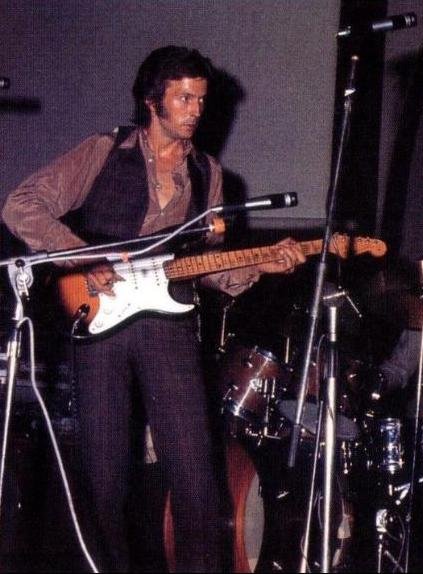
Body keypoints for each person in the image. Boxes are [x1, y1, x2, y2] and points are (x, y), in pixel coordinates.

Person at [1, 46, 306, 572]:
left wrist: (261, 264)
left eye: (201, 100)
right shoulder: (104, 151)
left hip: (170, 328)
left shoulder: (207, 173)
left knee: (196, 480)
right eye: (184, 98)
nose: (195, 110)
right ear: (152, 101)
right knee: (105, 483)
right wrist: (85, 254)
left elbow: (204, 266)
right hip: (99, 320)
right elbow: (20, 205)